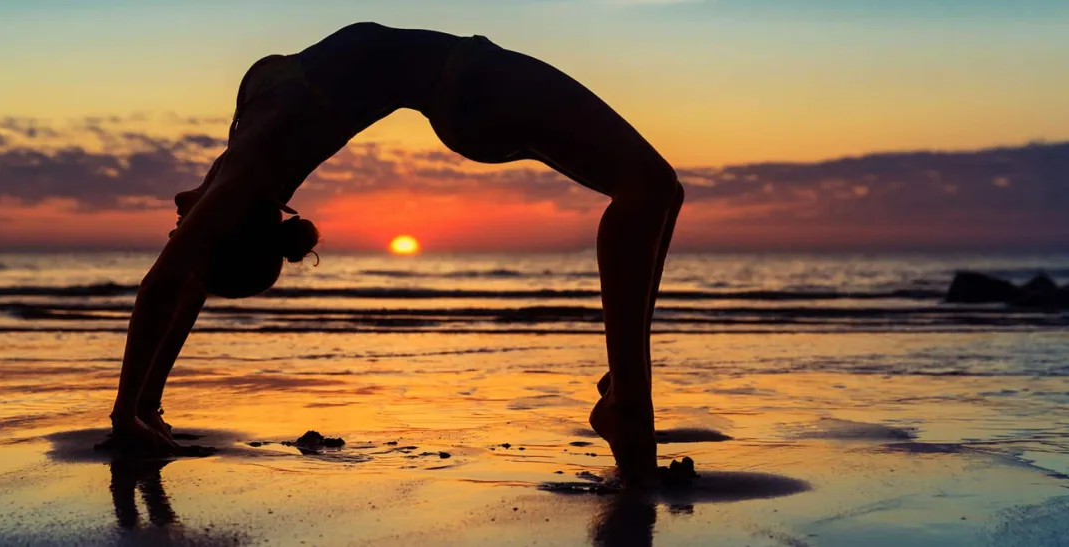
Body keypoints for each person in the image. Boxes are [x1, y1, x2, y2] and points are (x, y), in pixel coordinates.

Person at [109, 22, 684, 482]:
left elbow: (184, 291)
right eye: (183, 238)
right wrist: (123, 415)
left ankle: (625, 389)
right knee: (648, 188)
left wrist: (146, 407)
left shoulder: (238, 166)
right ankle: (629, 403)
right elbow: (164, 287)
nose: (174, 228)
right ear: (219, 232)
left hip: (467, 87)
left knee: (660, 191)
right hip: (468, 80)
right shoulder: (248, 175)